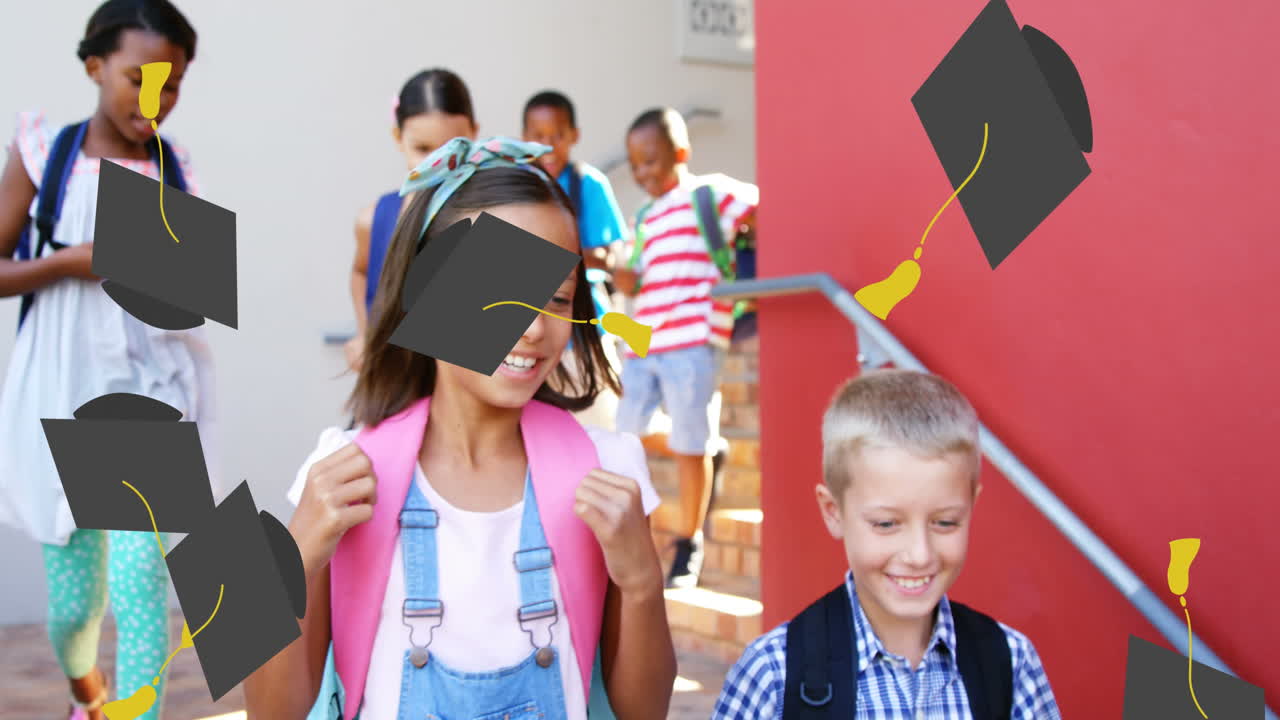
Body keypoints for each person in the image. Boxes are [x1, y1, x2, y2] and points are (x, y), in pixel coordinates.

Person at [244, 137, 677, 720]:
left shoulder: (610, 471)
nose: (534, 327)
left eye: (557, 297)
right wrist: (294, 559)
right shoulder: (340, 473)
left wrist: (643, 583)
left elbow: (643, 710)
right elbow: (273, 713)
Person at [0, 2, 210, 719]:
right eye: (139, 80)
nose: (156, 100)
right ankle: (84, 690)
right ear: (95, 66)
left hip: (147, 393)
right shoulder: (45, 155)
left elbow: (188, 293)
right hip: (61, 393)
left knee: (142, 580)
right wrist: (71, 262)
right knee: (74, 608)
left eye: (172, 85)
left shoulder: (174, 168)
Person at [711, 370, 1061, 719]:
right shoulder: (773, 675)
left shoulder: (1011, 663)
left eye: (945, 522)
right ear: (833, 511)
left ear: (971, 507)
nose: (919, 554)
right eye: (886, 524)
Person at [612, 107, 755, 587]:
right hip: (645, 343)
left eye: (651, 160)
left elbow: (763, 211)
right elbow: (637, 273)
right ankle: (709, 449)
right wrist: (626, 277)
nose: (643, 173)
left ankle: (688, 543)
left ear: (681, 153)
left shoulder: (710, 194)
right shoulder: (645, 215)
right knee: (627, 433)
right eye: (635, 165)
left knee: (689, 444)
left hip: (694, 339)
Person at [344, 68, 477, 373]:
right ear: (398, 137)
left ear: (474, 134)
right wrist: (364, 334)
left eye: (451, 150)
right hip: (391, 387)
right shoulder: (374, 221)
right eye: (423, 149)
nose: (436, 165)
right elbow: (360, 272)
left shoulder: (493, 219)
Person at [522, 90, 628, 430]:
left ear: (574, 135)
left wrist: (542, 257)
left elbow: (604, 256)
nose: (548, 146)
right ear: (523, 137)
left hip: (585, 331)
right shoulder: (517, 186)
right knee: (536, 430)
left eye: (557, 136)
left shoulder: (588, 185)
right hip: (525, 333)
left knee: (600, 425)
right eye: (538, 136)